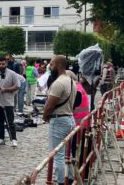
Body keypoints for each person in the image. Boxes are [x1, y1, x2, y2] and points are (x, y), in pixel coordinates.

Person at [42, 56, 77, 185]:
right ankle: (71, 177)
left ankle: (61, 182)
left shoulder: (58, 83)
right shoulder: (72, 81)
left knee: (58, 156)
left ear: (58, 66)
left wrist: (45, 115)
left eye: (51, 65)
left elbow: (50, 106)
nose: (50, 67)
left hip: (58, 120)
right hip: (69, 119)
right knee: (68, 152)